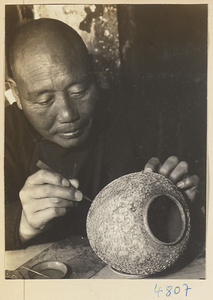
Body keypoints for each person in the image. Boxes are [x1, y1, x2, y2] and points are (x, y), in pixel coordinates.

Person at [5, 18, 200, 251]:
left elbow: (177, 223)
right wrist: (22, 224)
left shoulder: (137, 116)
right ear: (15, 91)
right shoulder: (5, 131)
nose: (68, 114)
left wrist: (181, 207)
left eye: (79, 91)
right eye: (45, 100)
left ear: (91, 69)